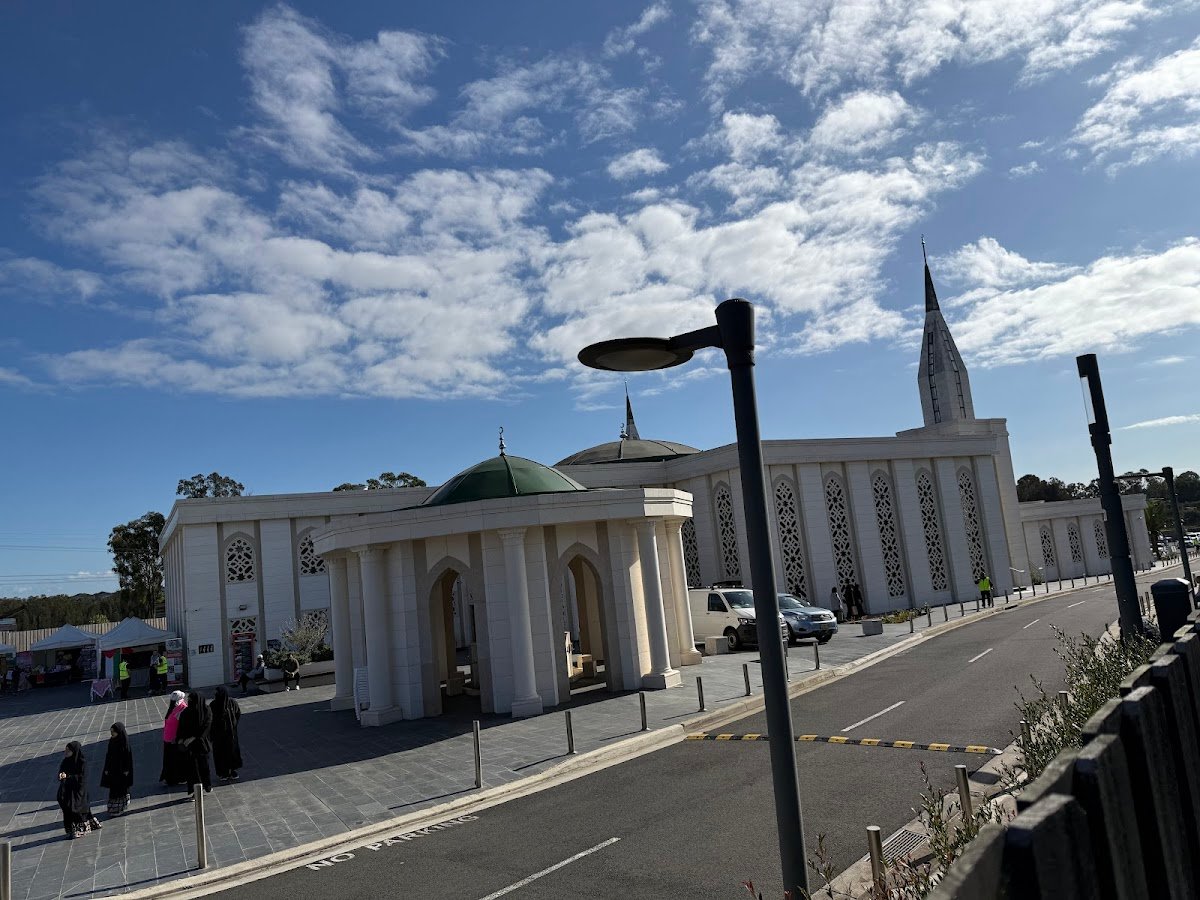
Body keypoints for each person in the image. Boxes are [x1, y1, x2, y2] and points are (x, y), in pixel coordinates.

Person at [57, 741, 101, 838]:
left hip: (79, 791)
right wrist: (61, 774)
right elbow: (62, 770)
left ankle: (81, 828)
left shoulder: (82, 762)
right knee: (68, 809)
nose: (66, 752)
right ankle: (72, 830)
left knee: (77, 808)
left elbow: (81, 777)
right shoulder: (66, 761)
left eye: (68, 751)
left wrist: (68, 776)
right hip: (68, 790)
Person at [177, 690, 213, 800]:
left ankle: (206, 786)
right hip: (191, 747)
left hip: (201, 745)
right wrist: (181, 739)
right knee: (193, 770)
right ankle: (196, 791)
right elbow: (181, 727)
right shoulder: (186, 712)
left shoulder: (206, 710)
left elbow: (206, 727)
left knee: (204, 768)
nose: (190, 702)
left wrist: (192, 738)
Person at [209, 686, 243, 781]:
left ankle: (232, 771)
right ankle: (222, 773)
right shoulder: (213, 705)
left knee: (231, 752)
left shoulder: (231, 703)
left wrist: (233, 724)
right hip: (218, 735)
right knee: (220, 753)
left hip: (230, 734)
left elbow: (237, 713)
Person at [101, 722, 134, 816]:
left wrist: (126, 769)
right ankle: (113, 808)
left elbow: (127, 756)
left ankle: (119, 807)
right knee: (114, 789)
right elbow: (108, 755)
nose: (112, 734)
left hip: (121, 770)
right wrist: (106, 768)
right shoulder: (112, 741)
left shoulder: (124, 742)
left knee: (120, 789)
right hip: (113, 769)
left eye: (113, 732)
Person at [160, 691, 188, 786]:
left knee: (176, 760)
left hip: (174, 739)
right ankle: (169, 778)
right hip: (168, 738)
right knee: (169, 759)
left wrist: (178, 737)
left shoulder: (182, 707)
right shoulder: (173, 707)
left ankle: (179, 777)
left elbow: (182, 724)